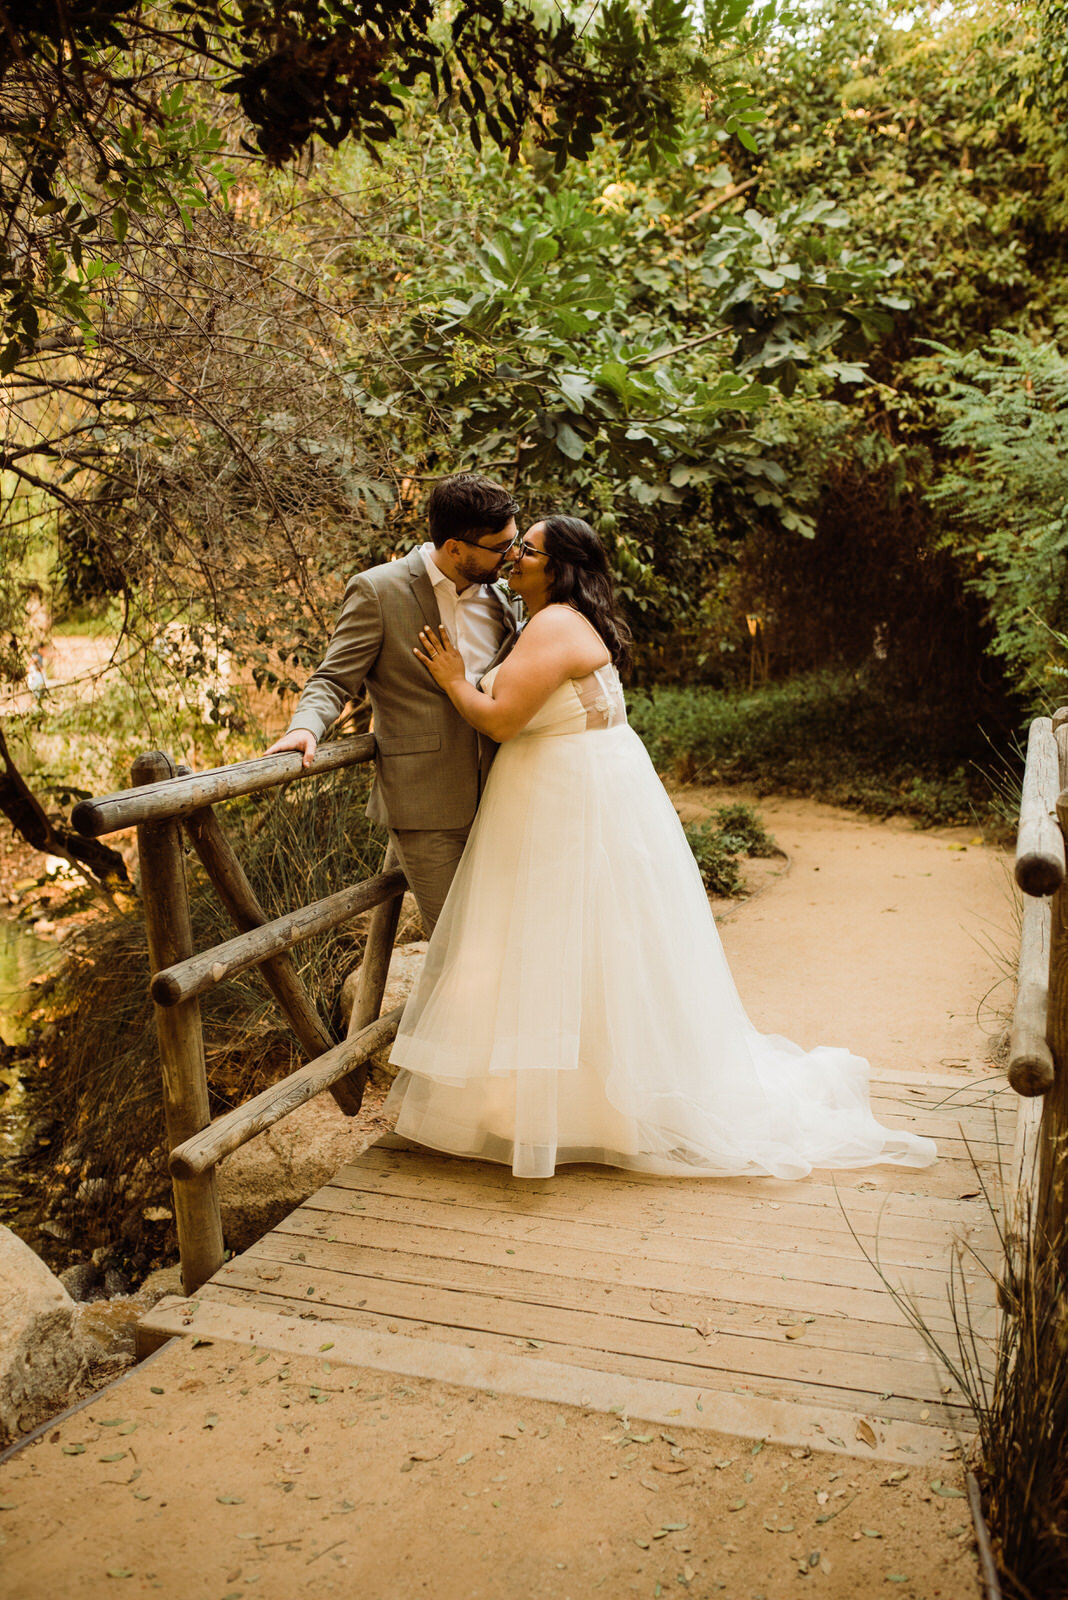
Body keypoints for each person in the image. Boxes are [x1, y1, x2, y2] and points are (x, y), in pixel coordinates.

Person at [386, 515, 936, 1181]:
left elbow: (501, 721)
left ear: (556, 569)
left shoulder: (555, 623)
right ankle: (575, 1106)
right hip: (575, 786)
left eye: (525, 551)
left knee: (562, 943)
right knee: (585, 947)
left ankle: (578, 1110)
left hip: (562, 797)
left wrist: (452, 679)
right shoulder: (552, 619)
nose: (513, 559)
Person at [266, 474, 523, 934]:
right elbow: (333, 677)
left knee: (505, 934)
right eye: (500, 546)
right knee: (455, 943)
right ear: (454, 546)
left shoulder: (503, 593)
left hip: (508, 792)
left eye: (514, 542)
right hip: (426, 806)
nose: (513, 555)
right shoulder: (377, 590)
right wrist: (305, 727)